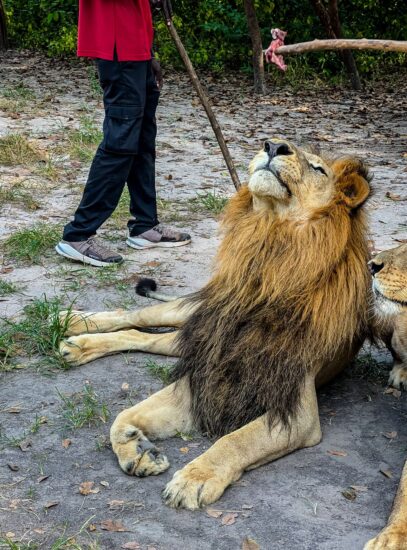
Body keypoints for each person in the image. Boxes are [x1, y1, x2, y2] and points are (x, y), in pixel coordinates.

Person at [56, 0, 191, 267]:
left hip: (136, 46)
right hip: (116, 46)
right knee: (121, 142)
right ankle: (78, 234)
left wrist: (148, 51)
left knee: (142, 140)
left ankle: (144, 225)